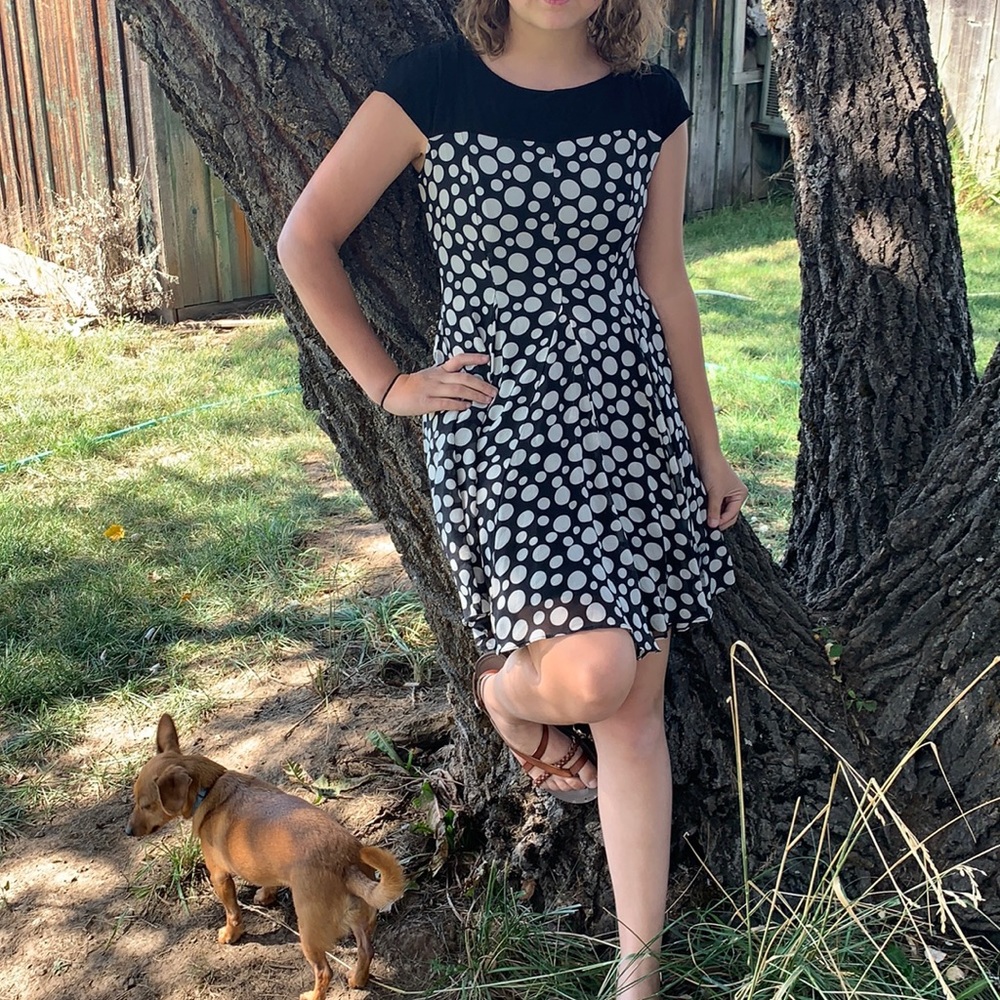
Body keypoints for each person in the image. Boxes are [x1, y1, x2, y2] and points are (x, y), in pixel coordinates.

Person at [278, 1, 746, 996]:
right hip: (505, 438)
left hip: (629, 427)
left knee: (634, 712)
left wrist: (707, 450)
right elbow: (304, 239)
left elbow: (665, 281)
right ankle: (505, 693)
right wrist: (389, 383)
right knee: (589, 680)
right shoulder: (432, 84)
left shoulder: (650, 97)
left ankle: (637, 976)